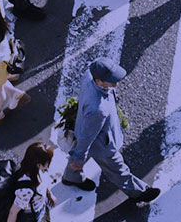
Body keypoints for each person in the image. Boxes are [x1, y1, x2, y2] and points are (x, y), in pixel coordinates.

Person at [59, 61, 160, 203]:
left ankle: (71, 177)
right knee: (117, 169)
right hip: (102, 144)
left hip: (85, 126)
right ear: (99, 81)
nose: (116, 84)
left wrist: (78, 157)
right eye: (111, 81)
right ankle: (139, 192)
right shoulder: (98, 109)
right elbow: (87, 137)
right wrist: (79, 159)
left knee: (79, 152)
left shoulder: (89, 76)